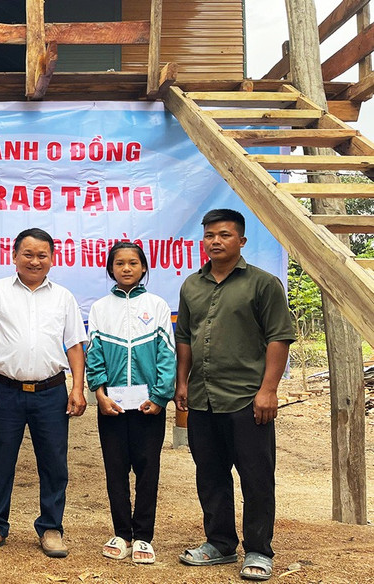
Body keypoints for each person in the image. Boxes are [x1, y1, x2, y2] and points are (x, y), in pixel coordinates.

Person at [175, 209, 295, 582]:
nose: (215, 241)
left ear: (241, 241)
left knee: (256, 477)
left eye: (224, 235)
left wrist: (268, 390)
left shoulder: (262, 284)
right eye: (210, 234)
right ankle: (220, 544)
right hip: (202, 397)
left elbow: (279, 336)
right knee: (210, 474)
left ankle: (258, 550)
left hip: (247, 398)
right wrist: (182, 383)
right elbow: (184, 338)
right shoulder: (191, 286)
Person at [0, 227, 88, 559]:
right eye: (28, 254)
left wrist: (77, 388)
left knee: (54, 462)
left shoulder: (63, 297)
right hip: (5, 391)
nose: (35, 261)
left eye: (42, 255)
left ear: (52, 258)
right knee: (0, 460)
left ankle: (51, 528)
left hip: (52, 392)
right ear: (14, 256)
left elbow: (75, 346)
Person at [85, 242, 175, 565]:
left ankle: (144, 537)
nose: (126, 268)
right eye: (119, 263)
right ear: (110, 268)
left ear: (143, 268)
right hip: (112, 406)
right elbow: (94, 354)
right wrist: (99, 393)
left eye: (133, 263)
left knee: (148, 469)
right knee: (115, 469)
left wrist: (161, 395)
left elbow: (167, 354)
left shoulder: (158, 305)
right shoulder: (100, 308)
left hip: (150, 406)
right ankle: (122, 533)